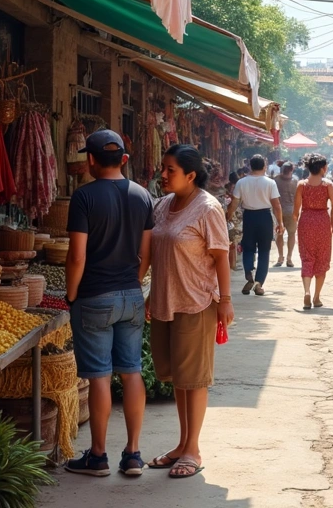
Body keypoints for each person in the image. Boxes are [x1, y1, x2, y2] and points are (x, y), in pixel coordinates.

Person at [63, 130, 154, 477]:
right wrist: (134, 281)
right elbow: (146, 253)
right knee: (131, 371)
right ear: (125, 161)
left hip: (94, 297)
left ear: (89, 161)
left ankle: (97, 456)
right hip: (131, 294)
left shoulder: (83, 197)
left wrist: (71, 295)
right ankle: (132, 454)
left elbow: (76, 256)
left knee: (99, 376)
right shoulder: (143, 195)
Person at [142, 144, 234, 479]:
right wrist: (151, 294)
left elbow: (221, 256)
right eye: (163, 168)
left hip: (197, 301)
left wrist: (225, 300)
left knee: (194, 380)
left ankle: (193, 449)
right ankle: (181, 444)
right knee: (179, 380)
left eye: (171, 170)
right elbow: (156, 252)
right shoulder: (163, 205)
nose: (163, 175)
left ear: (191, 176)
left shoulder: (208, 208)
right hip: (166, 301)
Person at [226, 155, 284, 296]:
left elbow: (234, 203)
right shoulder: (270, 183)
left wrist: (227, 216)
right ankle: (259, 283)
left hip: (249, 217)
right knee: (264, 251)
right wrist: (280, 223)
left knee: (248, 248)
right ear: (264, 166)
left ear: (250, 166)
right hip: (265, 217)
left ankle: (248, 273)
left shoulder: (242, 182)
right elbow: (276, 205)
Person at [294, 153, 333, 309]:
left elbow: (296, 211)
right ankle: (316, 297)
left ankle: (306, 291)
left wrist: (297, 224)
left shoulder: (302, 184)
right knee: (322, 258)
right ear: (323, 168)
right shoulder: (327, 185)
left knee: (307, 258)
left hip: (306, 221)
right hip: (322, 221)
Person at [274, 162, 299, 268]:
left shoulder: (275, 180)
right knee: (292, 234)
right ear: (291, 170)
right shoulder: (295, 180)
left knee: (279, 233)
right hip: (292, 211)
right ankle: (289, 258)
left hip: (278, 211)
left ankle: (280, 257)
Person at [224, 172, 243, 271]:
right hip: (232, 216)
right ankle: (233, 264)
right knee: (233, 241)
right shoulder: (237, 187)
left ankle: (231, 263)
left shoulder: (226, 188)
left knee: (231, 241)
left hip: (229, 215)